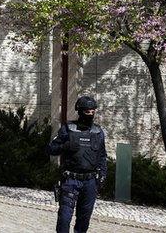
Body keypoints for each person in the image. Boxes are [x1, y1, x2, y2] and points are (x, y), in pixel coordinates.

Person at [47, 95, 107, 233]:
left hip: (90, 182)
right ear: (80, 111)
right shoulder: (68, 129)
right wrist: (65, 146)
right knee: (64, 218)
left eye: (93, 111)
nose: (91, 114)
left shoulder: (98, 132)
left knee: (84, 220)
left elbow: (102, 156)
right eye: (87, 111)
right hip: (70, 181)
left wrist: (102, 175)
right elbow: (50, 149)